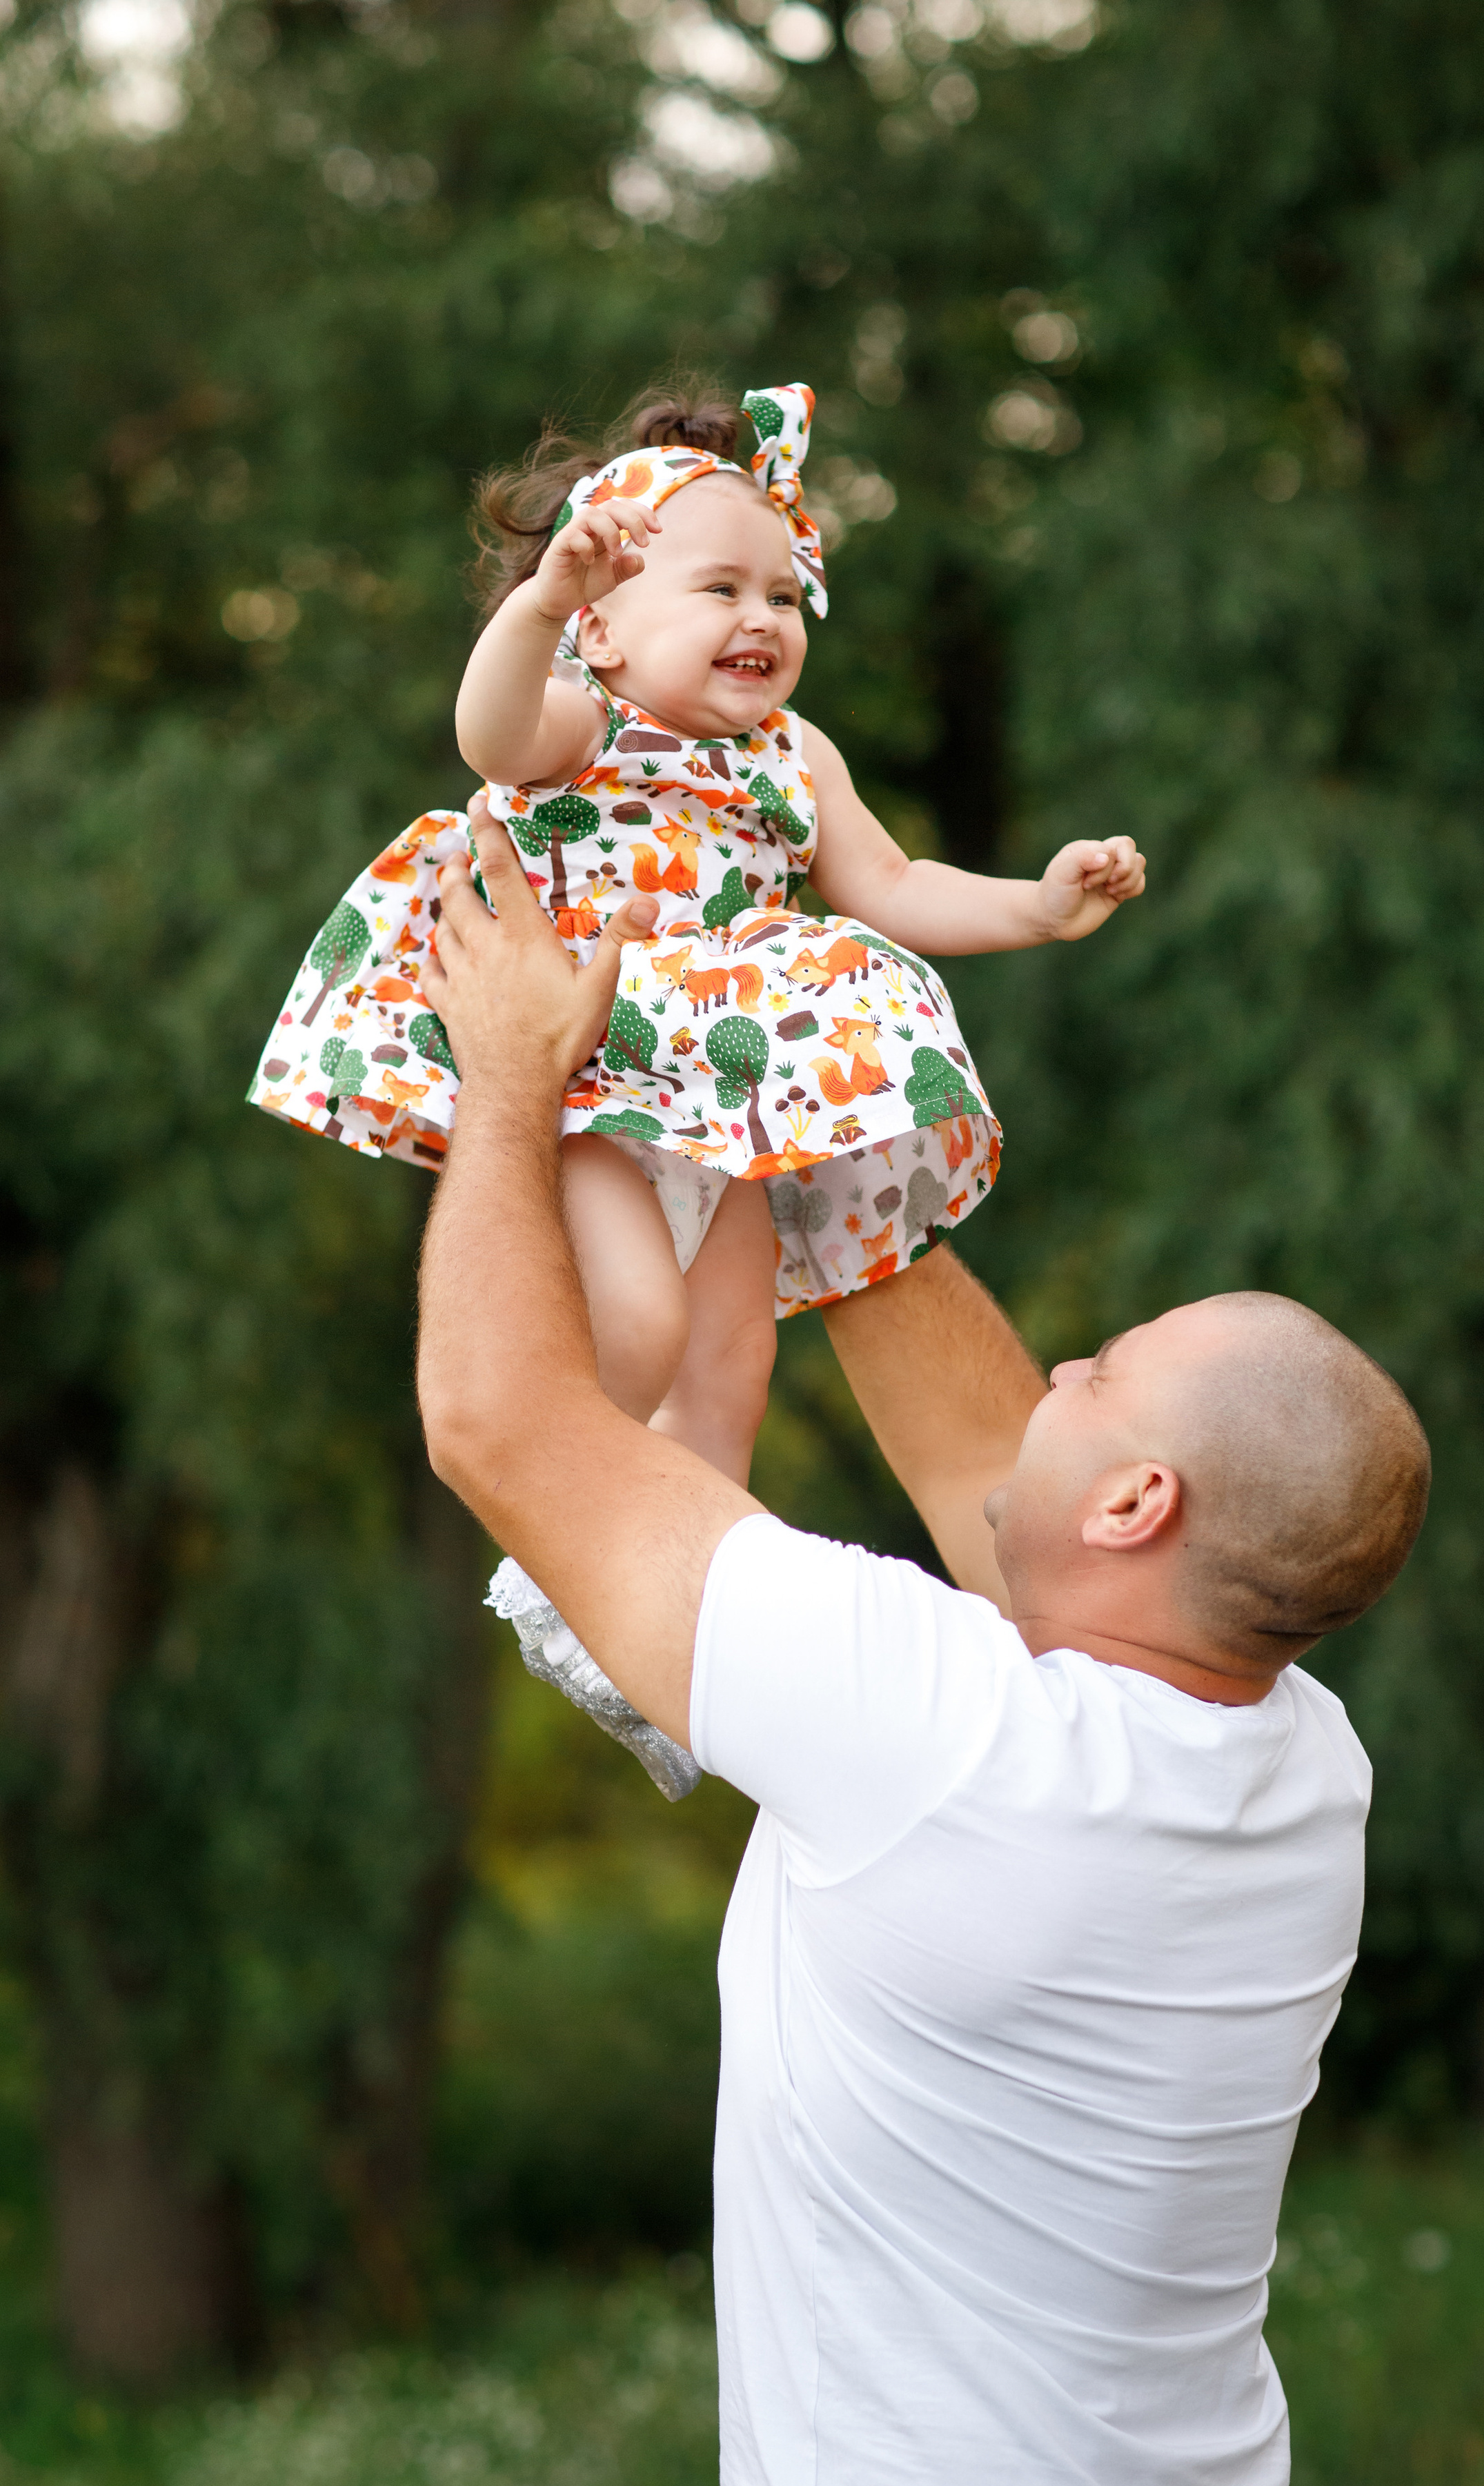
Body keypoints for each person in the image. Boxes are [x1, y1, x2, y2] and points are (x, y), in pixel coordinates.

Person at [414, 802, 1432, 2486]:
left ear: (1135, 1503)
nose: (1055, 1372)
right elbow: (997, 1485)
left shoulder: (932, 1729)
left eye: (1097, 1374)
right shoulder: (1301, 1765)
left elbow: (499, 1422)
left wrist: (506, 1085)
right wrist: (800, 1072)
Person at [250, 381, 1143, 1789]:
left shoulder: (795, 756)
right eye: (717, 588)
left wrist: (1036, 905)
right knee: (642, 1322)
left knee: (732, 1364)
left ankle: (677, 1647)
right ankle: (566, 1550)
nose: (761, 618)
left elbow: (892, 883)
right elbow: (487, 733)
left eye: (783, 594)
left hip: (726, 1097)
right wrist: (541, 604)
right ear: (605, 627)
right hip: (599, 1064)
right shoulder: (583, 721)